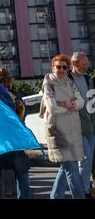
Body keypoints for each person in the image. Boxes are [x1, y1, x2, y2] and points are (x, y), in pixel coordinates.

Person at [41, 54, 85, 199]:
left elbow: (81, 102)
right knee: (71, 168)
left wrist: (65, 104)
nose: (61, 70)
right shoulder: (48, 84)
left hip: (72, 130)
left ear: (68, 68)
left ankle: (55, 196)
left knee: (66, 166)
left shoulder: (70, 83)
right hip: (58, 131)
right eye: (58, 66)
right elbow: (52, 107)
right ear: (52, 67)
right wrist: (70, 105)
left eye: (64, 67)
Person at [0, 68, 30, 199]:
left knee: (21, 170)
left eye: (7, 83)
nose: (5, 86)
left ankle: (23, 196)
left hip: (16, 137)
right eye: (1, 83)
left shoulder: (16, 96)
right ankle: (10, 194)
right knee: (7, 172)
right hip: (4, 139)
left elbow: (23, 113)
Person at [68, 52, 95, 197]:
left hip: (91, 126)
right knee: (85, 159)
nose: (86, 67)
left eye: (86, 65)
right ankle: (83, 191)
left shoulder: (87, 78)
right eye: (83, 65)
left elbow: (92, 102)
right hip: (76, 127)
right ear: (74, 64)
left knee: (82, 163)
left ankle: (60, 194)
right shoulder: (66, 78)